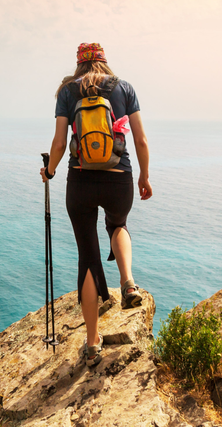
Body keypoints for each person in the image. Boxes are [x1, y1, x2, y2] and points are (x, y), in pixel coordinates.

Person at [40, 42, 153, 366]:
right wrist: (144, 176)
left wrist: (50, 171)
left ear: (79, 65)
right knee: (118, 225)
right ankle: (128, 282)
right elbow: (141, 139)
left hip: (80, 181)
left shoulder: (67, 91)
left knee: (88, 257)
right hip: (120, 177)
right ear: (104, 62)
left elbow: (60, 142)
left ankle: (92, 343)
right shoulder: (125, 88)